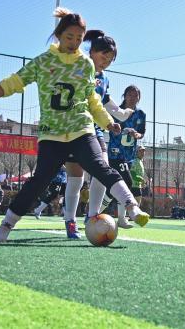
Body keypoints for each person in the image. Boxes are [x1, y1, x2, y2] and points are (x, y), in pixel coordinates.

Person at [0, 8, 149, 243]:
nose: (74, 43)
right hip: (52, 134)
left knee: (100, 167)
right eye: (69, 37)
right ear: (59, 35)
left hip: (81, 130)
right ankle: (7, 223)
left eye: (79, 39)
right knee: (40, 180)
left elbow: (92, 100)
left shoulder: (86, 64)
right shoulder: (43, 62)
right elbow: (12, 83)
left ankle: (131, 206)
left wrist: (108, 122)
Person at [51, 28, 133, 237]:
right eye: (104, 56)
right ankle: (70, 220)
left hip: (95, 129)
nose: (106, 62)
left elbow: (105, 102)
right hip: (73, 128)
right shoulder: (78, 68)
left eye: (111, 59)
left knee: (102, 170)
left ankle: (92, 216)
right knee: (76, 179)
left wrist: (121, 114)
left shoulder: (104, 79)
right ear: (92, 52)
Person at [99, 84, 147, 228]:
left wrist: (136, 134)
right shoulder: (116, 111)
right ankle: (121, 218)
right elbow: (106, 125)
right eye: (130, 95)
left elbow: (141, 133)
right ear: (124, 96)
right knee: (126, 182)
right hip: (115, 153)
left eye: (135, 95)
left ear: (139, 98)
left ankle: (95, 213)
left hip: (129, 155)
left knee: (115, 188)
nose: (133, 97)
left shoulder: (141, 114)